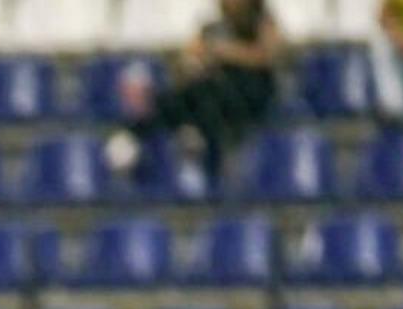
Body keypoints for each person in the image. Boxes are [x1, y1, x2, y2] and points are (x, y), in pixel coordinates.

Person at [105, 0, 285, 181]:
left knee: (210, 98)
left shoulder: (263, 22)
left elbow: (266, 56)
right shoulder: (212, 28)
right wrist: (193, 63)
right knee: (179, 97)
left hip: (249, 94)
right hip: (213, 92)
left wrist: (227, 53)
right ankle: (133, 135)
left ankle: (195, 133)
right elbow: (189, 56)